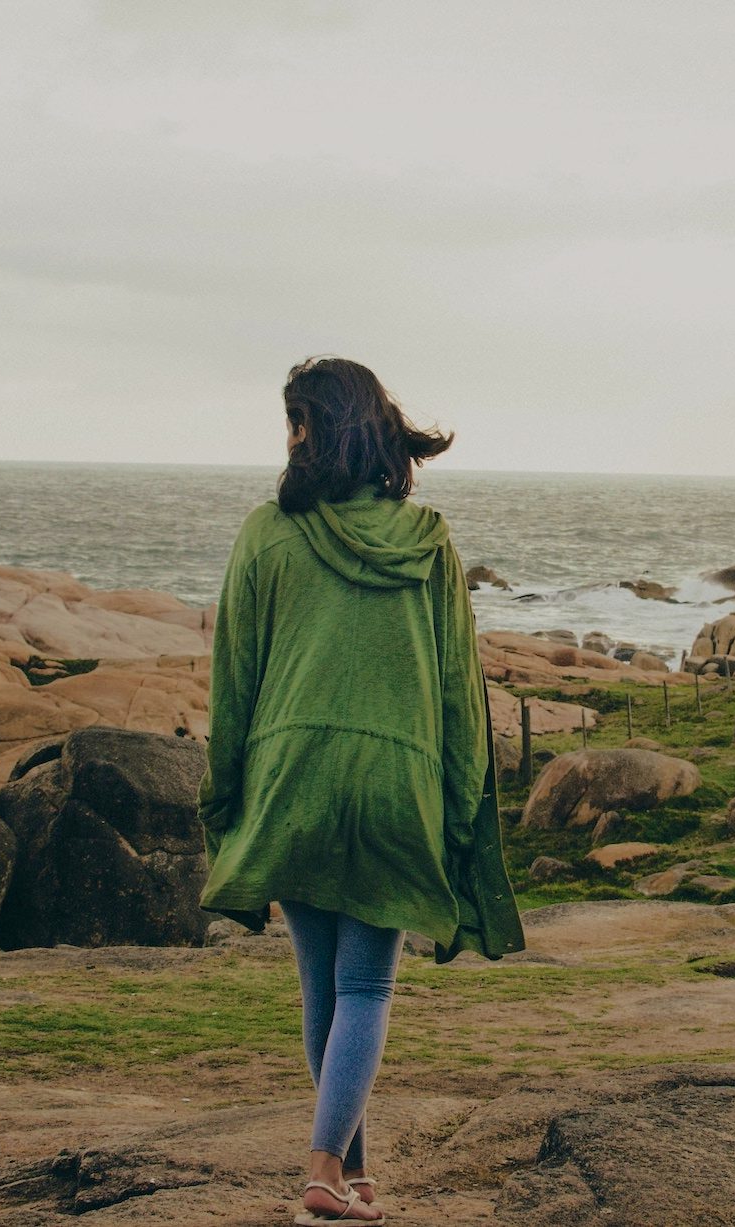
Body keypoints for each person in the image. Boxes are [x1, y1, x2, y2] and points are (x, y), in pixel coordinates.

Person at [197, 357, 524, 1226]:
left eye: (299, 420)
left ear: (327, 429)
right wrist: (459, 806)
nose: (291, 438)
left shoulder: (267, 533)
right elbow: (462, 690)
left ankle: (339, 1171)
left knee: (322, 991)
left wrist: (222, 795)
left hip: (290, 779)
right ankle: (330, 1176)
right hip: (393, 784)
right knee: (364, 991)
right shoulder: (429, 541)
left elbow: (234, 678)